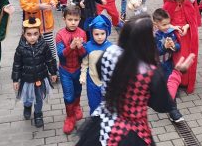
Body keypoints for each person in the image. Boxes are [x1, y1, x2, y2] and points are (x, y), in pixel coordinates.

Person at [76, 14, 195, 146]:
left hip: (103, 122)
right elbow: (164, 104)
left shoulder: (109, 53)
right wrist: (177, 73)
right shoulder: (150, 72)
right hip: (132, 133)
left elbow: (100, 74)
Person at [12, 17, 58, 127]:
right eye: (29, 34)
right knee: (28, 98)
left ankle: (38, 114)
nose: (32, 37)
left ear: (39, 33)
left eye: (35, 34)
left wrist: (53, 72)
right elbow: (17, 64)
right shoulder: (21, 48)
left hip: (41, 78)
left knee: (39, 98)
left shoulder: (44, 45)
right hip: (27, 80)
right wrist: (15, 80)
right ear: (24, 34)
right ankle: (27, 107)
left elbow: (50, 60)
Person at [163, 0, 199, 94]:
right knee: (178, 58)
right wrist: (174, 27)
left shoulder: (188, 3)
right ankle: (176, 81)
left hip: (187, 36)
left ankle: (186, 81)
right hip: (175, 36)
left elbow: (193, 20)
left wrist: (187, 26)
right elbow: (164, 22)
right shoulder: (168, 4)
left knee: (187, 57)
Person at [56, 5, 87, 134]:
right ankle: (69, 117)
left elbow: (85, 54)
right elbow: (60, 54)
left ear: (79, 19)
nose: (73, 22)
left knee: (78, 91)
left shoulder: (82, 33)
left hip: (78, 70)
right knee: (69, 96)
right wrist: (72, 46)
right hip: (65, 71)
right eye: (70, 19)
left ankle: (77, 106)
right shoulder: (60, 35)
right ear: (64, 19)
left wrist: (80, 47)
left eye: (76, 19)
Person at [153, 8, 184, 122]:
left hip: (168, 64)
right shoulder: (153, 35)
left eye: (168, 23)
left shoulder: (170, 32)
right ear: (156, 24)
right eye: (164, 25)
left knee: (171, 86)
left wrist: (174, 46)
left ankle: (173, 110)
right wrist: (163, 47)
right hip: (156, 66)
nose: (167, 27)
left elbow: (178, 46)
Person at [80, 15, 112, 114]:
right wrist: (83, 75)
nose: (99, 37)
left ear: (106, 32)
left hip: (106, 83)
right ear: (91, 33)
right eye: (96, 34)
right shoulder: (88, 46)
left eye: (102, 33)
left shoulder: (110, 47)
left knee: (107, 106)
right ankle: (94, 124)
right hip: (92, 82)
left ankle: (105, 124)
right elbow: (85, 63)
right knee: (94, 105)